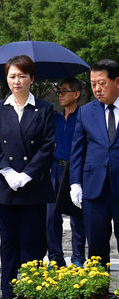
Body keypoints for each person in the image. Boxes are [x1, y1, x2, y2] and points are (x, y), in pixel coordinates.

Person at [0, 55, 55, 299]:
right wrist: (7, 172)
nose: (17, 81)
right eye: (12, 76)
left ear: (31, 79)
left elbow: (47, 146)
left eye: (22, 76)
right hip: (4, 184)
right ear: (7, 78)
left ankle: (31, 287)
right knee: (8, 239)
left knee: (32, 239)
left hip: (33, 184)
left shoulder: (44, 109)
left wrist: (27, 174)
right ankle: (8, 289)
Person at [70, 59, 119, 268]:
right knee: (97, 246)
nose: (97, 89)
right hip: (94, 188)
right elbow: (78, 150)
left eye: (102, 83)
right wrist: (75, 183)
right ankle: (100, 291)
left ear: (117, 81)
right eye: (93, 84)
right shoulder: (86, 111)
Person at [47, 77, 85, 268]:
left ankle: (78, 258)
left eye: (64, 91)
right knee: (51, 216)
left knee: (77, 216)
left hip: (75, 170)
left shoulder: (83, 117)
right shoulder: (55, 118)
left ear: (76, 94)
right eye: (59, 91)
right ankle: (55, 258)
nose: (60, 95)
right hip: (55, 169)